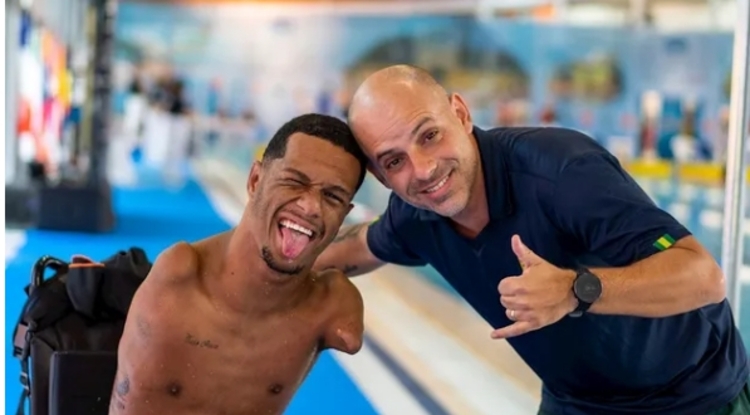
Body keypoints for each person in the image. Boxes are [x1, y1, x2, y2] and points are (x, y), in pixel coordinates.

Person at [315, 65, 750, 415]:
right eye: (395, 161)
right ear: (381, 176)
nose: (424, 169)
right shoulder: (415, 214)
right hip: (575, 401)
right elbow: (355, 248)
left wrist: (575, 290)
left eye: (430, 135)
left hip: (693, 396)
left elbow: (703, 276)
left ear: (461, 114)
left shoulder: (562, 173)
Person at [110, 114, 368, 415]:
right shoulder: (180, 277)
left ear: (345, 213)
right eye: (295, 182)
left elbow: (375, 242)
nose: (311, 206)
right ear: (255, 180)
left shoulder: (333, 305)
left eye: (333, 197)